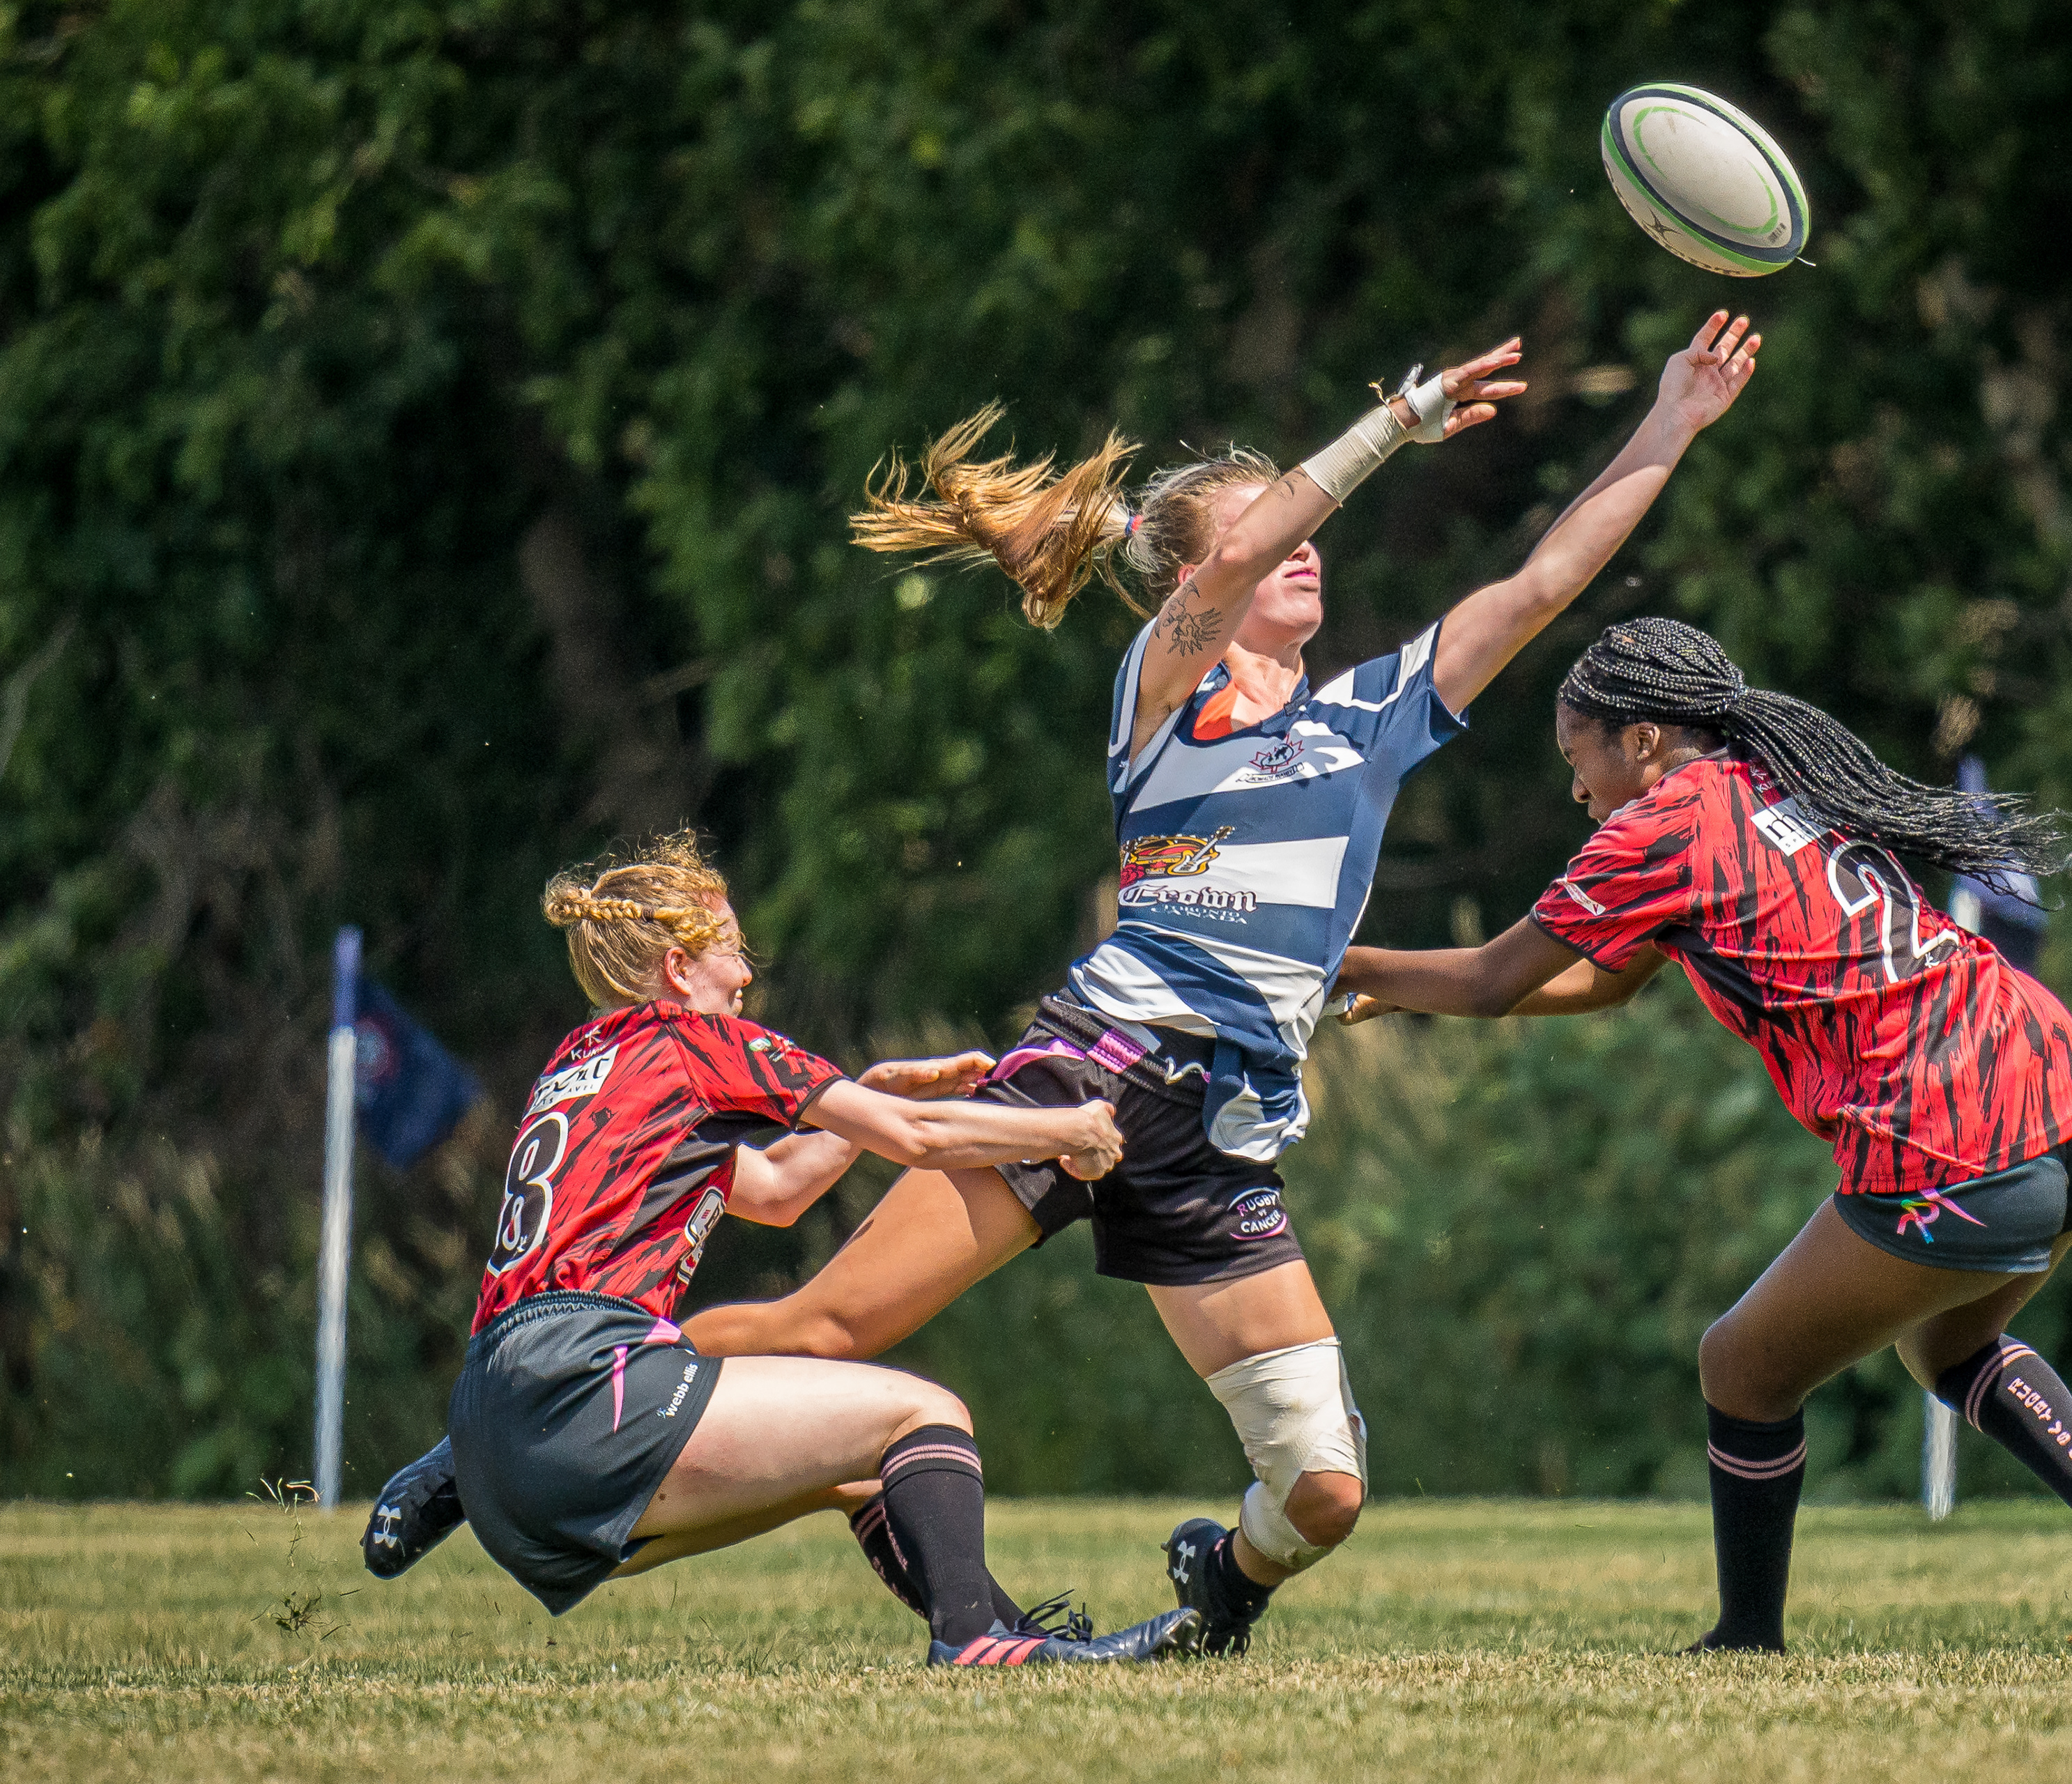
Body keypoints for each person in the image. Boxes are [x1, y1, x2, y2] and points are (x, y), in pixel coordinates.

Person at [522, 312, 1747, 1657]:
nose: (1307, 547)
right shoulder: (1161, 692)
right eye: (1279, 530)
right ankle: (544, 1423)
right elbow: (1233, 553)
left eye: (1307, 531)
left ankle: (1224, 1574)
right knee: (826, 1326)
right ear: (1199, 575)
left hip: (1223, 1136)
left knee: (1326, 1493)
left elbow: (1544, 578)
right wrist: (1396, 420)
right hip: (1091, 1066)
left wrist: (1673, 420)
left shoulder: (1369, 717)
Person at [1332, 617, 2072, 1656]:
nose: (1578, 790)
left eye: (1581, 759)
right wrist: (1400, 990)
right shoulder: (1774, 779)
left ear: (1644, 741)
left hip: (1951, 1138)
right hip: (2062, 1093)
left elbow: (1491, 976)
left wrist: (1341, 963)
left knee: (1742, 1369)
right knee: (1948, 1346)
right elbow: (1608, 982)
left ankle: (1747, 1639)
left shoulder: (1658, 829)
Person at [394, 830, 1195, 1666]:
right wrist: (1064, 1128)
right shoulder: (694, 1043)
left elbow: (775, 1190)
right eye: (734, 951)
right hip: (585, 1399)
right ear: (678, 969)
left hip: (497, 1431)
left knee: (854, 1468)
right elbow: (919, 1137)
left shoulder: (580, 1064)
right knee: (926, 1413)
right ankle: (978, 1648)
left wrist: (869, 1094)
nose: (746, 976)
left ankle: (1010, 1641)